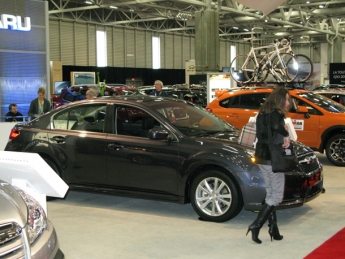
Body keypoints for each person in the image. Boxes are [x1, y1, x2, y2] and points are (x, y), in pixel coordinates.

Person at [246, 87, 291, 244]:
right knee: (277, 196)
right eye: (286, 99)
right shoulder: (275, 114)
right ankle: (256, 225)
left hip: (261, 157)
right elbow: (276, 127)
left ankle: (273, 228)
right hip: (272, 158)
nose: (288, 102)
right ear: (279, 100)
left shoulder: (262, 112)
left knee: (271, 193)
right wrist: (286, 134)